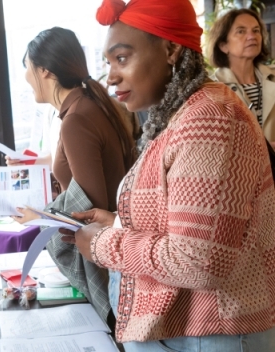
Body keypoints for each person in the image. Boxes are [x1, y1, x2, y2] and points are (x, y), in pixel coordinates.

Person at [68, 0, 275, 350]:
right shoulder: (185, 112)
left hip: (213, 332)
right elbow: (188, 219)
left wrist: (104, 244)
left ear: (171, 49)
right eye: (109, 63)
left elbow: (200, 259)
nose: (111, 76)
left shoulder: (209, 119)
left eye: (122, 58)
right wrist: (119, 223)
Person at [11, 26, 137, 220]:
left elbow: (91, 212)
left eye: (27, 66)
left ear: (44, 70)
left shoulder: (76, 120)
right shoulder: (90, 104)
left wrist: (38, 217)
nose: (26, 76)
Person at [206, 8, 275, 149]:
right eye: (241, 31)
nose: (252, 36)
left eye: (256, 30)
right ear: (223, 45)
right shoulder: (211, 88)